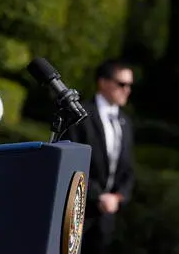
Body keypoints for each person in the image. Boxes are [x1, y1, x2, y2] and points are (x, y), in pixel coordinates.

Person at [63, 59, 136, 254]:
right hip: (77, 210)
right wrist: (98, 196)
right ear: (103, 82)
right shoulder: (81, 115)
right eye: (122, 84)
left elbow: (128, 169)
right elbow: (73, 161)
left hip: (106, 219)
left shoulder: (125, 123)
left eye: (129, 85)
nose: (127, 90)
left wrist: (118, 197)